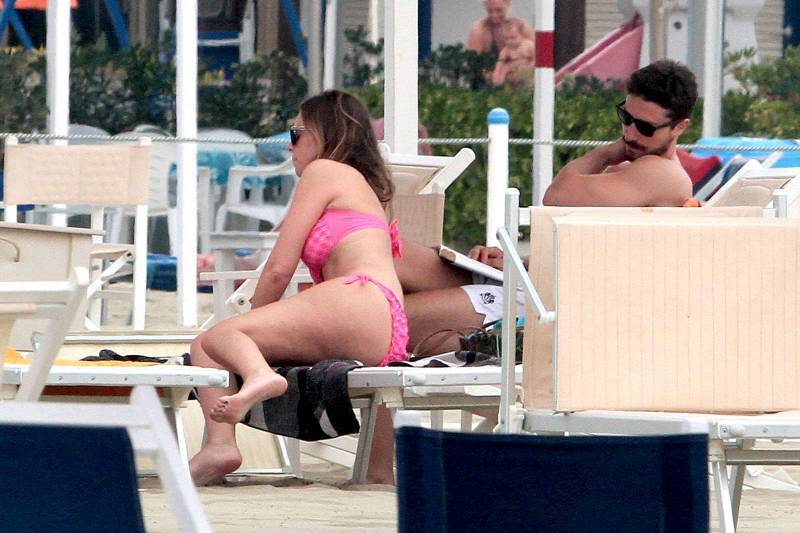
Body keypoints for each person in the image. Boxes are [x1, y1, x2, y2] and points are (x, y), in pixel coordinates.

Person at [403, 59, 699, 354]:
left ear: (679, 127)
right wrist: (519, 261)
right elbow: (590, 250)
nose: (630, 134)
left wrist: (607, 152)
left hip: (546, 302)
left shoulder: (662, 174)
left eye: (645, 128)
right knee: (393, 254)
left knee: (391, 316)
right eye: (626, 117)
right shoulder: (634, 172)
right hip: (533, 281)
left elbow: (557, 197)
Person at [188, 90, 407, 486]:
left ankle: (224, 439)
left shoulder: (324, 171)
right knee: (377, 472)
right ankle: (377, 474)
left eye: (296, 133)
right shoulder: (363, 187)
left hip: (357, 298)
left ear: (326, 133)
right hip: (384, 323)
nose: (289, 146)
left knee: (212, 342)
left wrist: (248, 333)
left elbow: (278, 269)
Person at [466, 0, 534, 57]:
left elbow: (536, 57)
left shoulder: (523, 27)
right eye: (489, 11)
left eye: (499, 10)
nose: (494, 15)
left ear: (508, 4)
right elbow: (471, 63)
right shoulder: (479, 30)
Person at [491, 21, 536, 89]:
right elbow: (500, 61)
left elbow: (536, 58)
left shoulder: (529, 45)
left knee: (527, 80)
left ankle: (528, 89)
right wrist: (496, 72)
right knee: (505, 68)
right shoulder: (506, 49)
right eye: (506, 39)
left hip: (526, 68)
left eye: (513, 38)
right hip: (512, 70)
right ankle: (499, 84)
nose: (510, 41)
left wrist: (530, 66)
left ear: (522, 35)